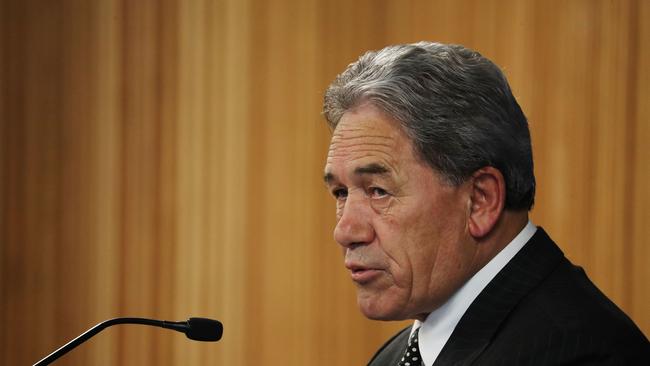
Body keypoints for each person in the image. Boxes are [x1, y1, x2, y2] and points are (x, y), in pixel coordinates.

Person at [321, 42, 650, 365]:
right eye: (341, 193)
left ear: (480, 201)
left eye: (378, 190)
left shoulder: (583, 353)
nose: (345, 231)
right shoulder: (392, 358)